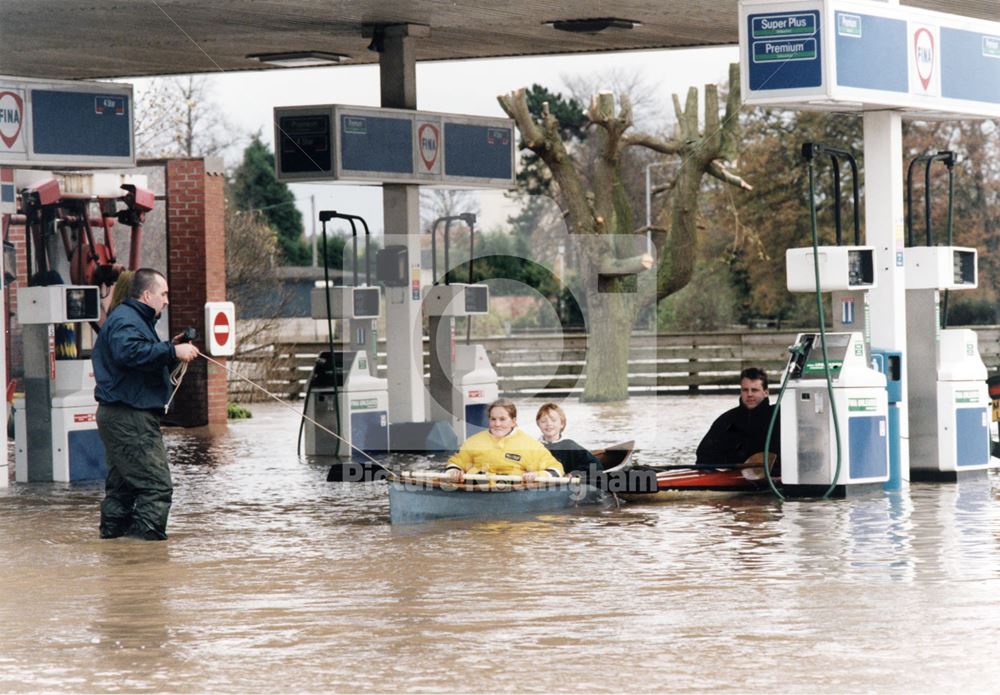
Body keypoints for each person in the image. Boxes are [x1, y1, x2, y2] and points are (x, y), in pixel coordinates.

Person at [92, 268, 199, 540]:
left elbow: (138, 358)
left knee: (123, 489)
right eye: (163, 294)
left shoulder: (133, 320)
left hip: (122, 416)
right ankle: (146, 559)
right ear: (147, 294)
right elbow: (128, 353)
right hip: (130, 417)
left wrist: (169, 349)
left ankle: (118, 555)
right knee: (156, 487)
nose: (166, 301)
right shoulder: (127, 320)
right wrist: (172, 350)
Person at [445, 398, 564, 483]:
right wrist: (454, 471)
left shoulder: (530, 445)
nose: (497, 424)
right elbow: (456, 462)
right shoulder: (473, 442)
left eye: (502, 419)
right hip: (476, 488)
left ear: (513, 421)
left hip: (512, 491)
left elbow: (556, 469)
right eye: (493, 419)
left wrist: (537, 475)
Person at [695, 367, 780, 468]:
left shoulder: (780, 417)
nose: (749, 394)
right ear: (740, 392)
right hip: (734, 476)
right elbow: (703, 456)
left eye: (754, 390)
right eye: (745, 390)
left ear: (766, 392)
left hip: (775, 476)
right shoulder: (726, 420)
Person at [535, 402, 599, 474]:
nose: (549, 424)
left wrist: (575, 473)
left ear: (562, 424)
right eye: (543, 421)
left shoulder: (570, 446)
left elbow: (596, 465)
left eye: (553, 420)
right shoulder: (534, 446)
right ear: (538, 424)